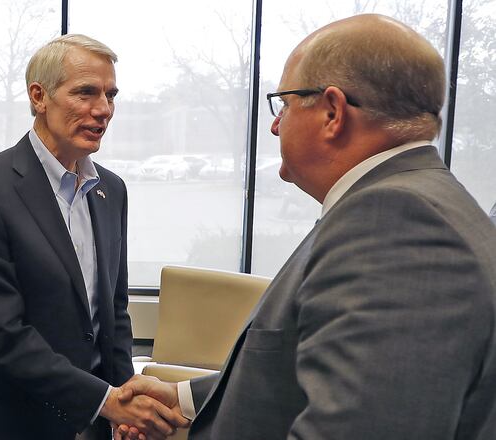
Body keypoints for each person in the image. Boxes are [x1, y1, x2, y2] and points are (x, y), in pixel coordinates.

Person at [117, 14, 496, 440]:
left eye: (285, 104)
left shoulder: (397, 222)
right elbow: (299, 368)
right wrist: (184, 398)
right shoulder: (405, 202)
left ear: (333, 112)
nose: (276, 125)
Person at [0, 34, 187, 440]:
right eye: (86, 92)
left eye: (110, 95)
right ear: (39, 96)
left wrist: (125, 402)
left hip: (89, 420)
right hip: (1, 419)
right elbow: (1, 330)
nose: (103, 110)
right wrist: (105, 400)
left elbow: (114, 315)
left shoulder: (111, 190)